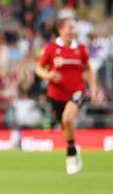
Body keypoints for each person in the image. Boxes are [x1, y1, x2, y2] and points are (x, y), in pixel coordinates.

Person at [35, 17, 97, 175]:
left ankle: (70, 154)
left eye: (74, 28)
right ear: (60, 29)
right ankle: (73, 146)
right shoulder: (51, 48)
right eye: (70, 27)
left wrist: (94, 88)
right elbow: (38, 68)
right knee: (65, 125)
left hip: (77, 91)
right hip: (55, 95)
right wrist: (48, 76)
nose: (73, 31)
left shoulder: (81, 49)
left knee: (68, 118)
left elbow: (88, 69)